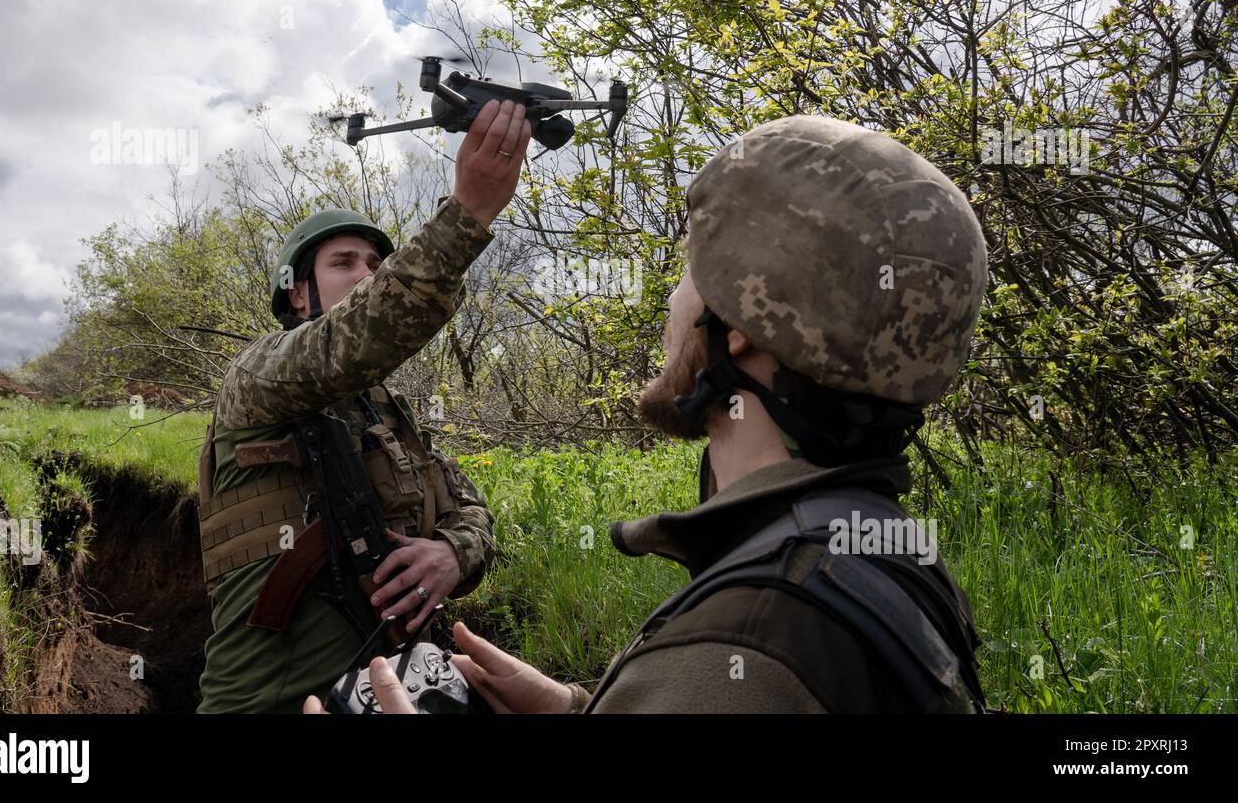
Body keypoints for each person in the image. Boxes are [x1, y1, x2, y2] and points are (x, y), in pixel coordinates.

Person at [306, 113, 991, 714]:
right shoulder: (883, 552)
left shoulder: (743, 642)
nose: (672, 299)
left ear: (744, 324)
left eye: (691, 271)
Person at [196, 98, 531, 713]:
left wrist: (451, 553)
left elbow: (472, 509)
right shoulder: (259, 374)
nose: (366, 274)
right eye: (343, 263)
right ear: (298, 293)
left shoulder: (389, 414)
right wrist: (469, 212)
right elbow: (351, 341)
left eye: (376, 264)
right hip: (271, 702)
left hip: (398, 692)